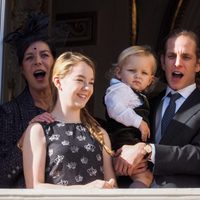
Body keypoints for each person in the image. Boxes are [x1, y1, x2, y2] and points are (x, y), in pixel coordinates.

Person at [114, 29, 200, 188]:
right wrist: (119, 159)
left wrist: (149, 151)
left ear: (198, 64)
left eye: (186, 57)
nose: (177, 63)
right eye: (171, 56)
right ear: (162, 61)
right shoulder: (144, 102)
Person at [22, 51, 117, 189]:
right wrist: (85, 190)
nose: (87, 88)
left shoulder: (100, 133)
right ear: (58, 82)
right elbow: (34, 188)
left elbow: (113, 188)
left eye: (91, 82)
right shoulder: (38, 130)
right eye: (79, 80)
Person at [0, 13, 56, 188]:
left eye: (45, 55)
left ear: (56, 63)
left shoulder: (71, 108)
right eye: (30, 58)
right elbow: (2, 177)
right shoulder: (8, 113)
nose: (38, 62)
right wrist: (25, 139)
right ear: (22, 70)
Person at [104, 45, 157, 150]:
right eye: (132, 70)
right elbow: (115, 109)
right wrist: (138, 122)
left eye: (144, 73)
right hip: (122, 143)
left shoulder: (140, 96)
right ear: (119, 72)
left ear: (150, 81)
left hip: (135, 143)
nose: (138, 75)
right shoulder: (119, 89)